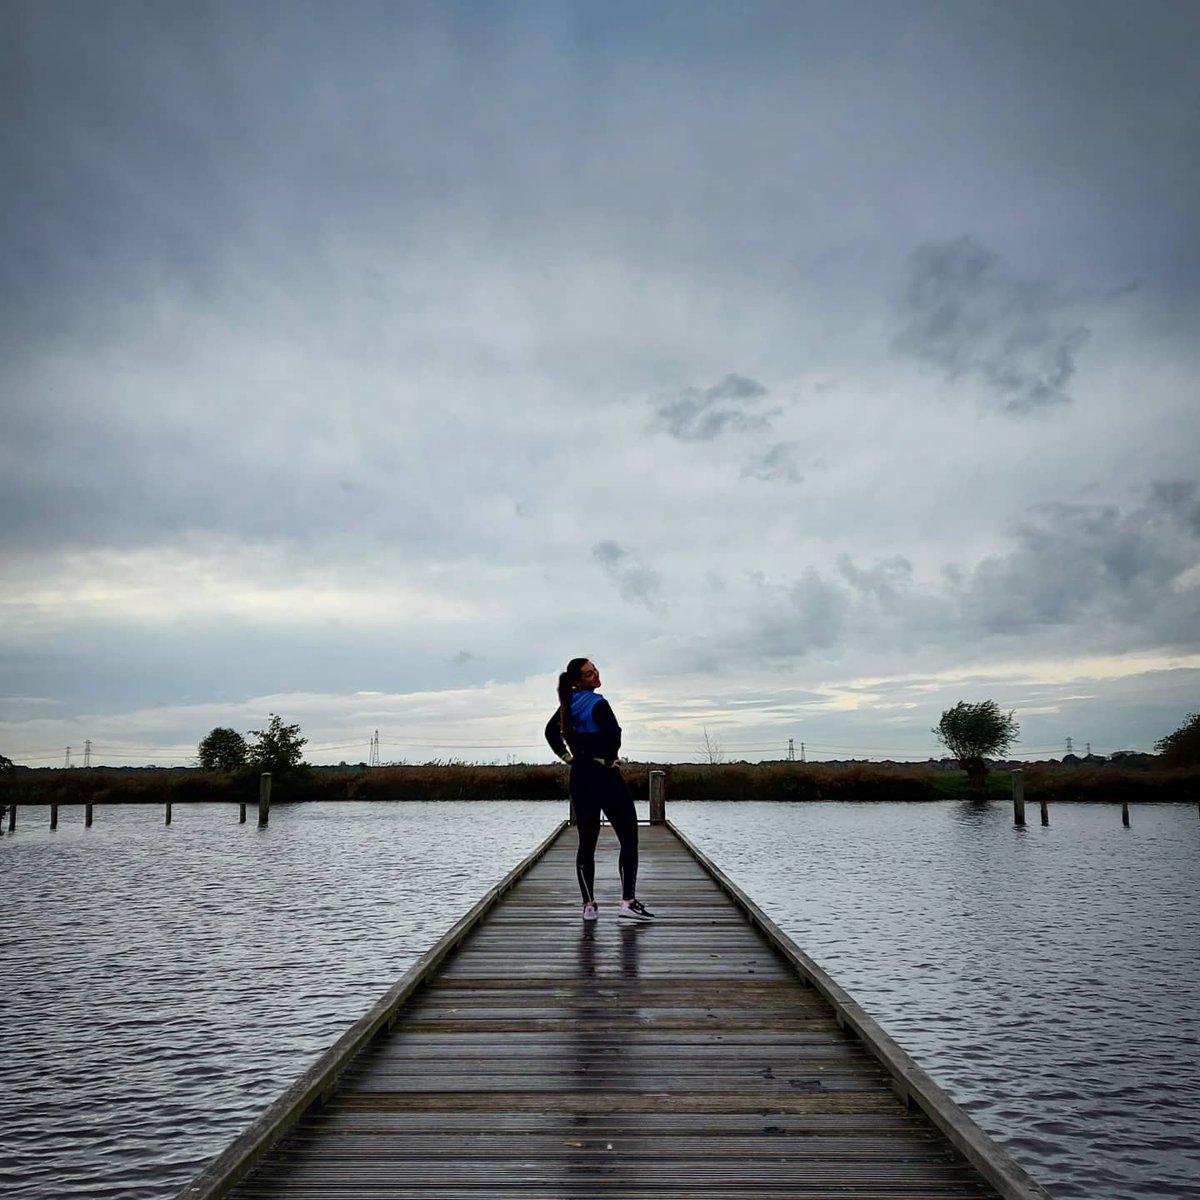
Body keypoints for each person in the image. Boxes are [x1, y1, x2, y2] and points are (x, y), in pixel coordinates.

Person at [544, 658, 656, 923]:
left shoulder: (567, 705)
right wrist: (606, 758)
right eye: (589, 673)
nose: (596, 675)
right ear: (577, 681)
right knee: (629, 837)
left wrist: (569, 757)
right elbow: (613, 736)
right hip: (606, 778)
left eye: (595, 670)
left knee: (587, 843)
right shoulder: (598, 703)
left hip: (580, 778)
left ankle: (589, 907)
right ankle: (627, 902)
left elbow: (550, 732)